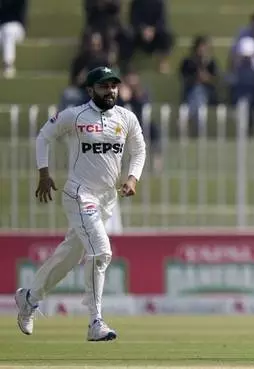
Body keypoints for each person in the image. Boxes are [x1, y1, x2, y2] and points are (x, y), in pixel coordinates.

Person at [15, 66, 146, 341]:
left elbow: (139, 149)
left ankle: (29, 297)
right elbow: (44, 136)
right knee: (101, 253)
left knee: (69, 257)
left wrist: (132, 178)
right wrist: (43, 173)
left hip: (107, 198)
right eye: (103, 86)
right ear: (90, 90)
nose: (110, 90)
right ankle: (95, 321)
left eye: (113, 86)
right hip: (79, 194)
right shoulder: (75, 115)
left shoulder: (126, 118)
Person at [0, 0, 27, 78]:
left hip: (16, 28)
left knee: (8, 30)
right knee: (5, 30)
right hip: (2, 29)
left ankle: (8, 65)